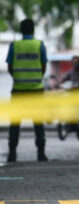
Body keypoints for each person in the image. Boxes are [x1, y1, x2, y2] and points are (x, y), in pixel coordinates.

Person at [5, 19, 48, 162]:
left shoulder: (14, 46)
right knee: (38, 122)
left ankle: (12, 153)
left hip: (18, 90)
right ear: (33, 30)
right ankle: (41, 154)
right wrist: (35, 79)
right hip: (36, 90)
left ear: (21, 31)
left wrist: (19, 78)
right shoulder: (39, 45)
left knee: (15, 123)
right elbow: (43, 67)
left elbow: (10, 67)